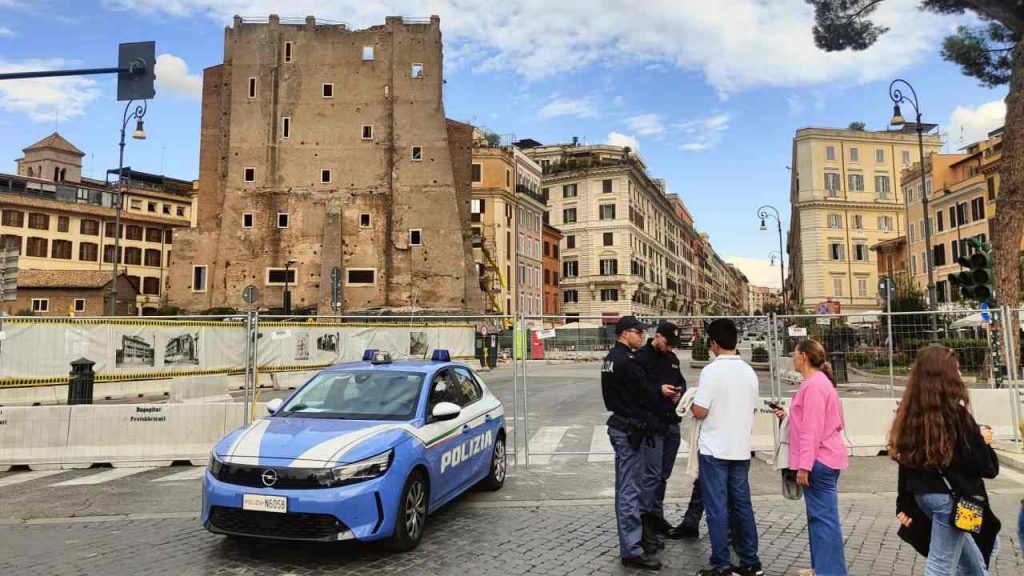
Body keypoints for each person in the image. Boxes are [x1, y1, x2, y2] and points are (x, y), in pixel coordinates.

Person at [891, 345, 1001, 575]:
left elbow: (905, 461)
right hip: (954, 499)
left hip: (925, 495)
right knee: (940, 564)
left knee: (972, 564)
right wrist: (982, 440)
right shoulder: (957, 416)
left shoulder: (910, 414)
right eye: (956, 370)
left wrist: (905, 500)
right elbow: (985, 467)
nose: (960, 375)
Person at [691, 318, 763, 576]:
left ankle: (721, 564)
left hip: (715, 449)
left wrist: (690, 403)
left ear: (714, 343)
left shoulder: (712, 371)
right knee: (743, 505)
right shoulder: (749, 371)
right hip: (741, 448)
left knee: (717, 507)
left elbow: (700, 411)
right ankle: (750, 561)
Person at [771, 339, 849, 576]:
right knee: (821, 518)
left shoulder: (813, 385)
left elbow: (811, 429)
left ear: (803, 356)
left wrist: (803, 467)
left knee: (823, 520)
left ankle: (830, 571)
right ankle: (823, 568)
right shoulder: (819, 383)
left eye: (795, 354)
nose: (793, 358)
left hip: (819, 460)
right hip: (825, 457)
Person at [602, 315, 661, 571]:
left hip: (619, 425)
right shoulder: (626, 361)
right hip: (629, 429)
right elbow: (645, 392)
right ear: (625, 333)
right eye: (638, 332)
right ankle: (632, 549)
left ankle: (631, 544)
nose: (642, 336)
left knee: (625, 488)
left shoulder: (610, 359)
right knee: (630, 490)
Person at [636, 322, 687, 542]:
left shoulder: (672, 358)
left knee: (663, 475)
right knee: (651, 476)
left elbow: (682, 382)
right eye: (667, 342)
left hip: (671, 423)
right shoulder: (641, 357)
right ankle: (645, 521)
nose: (670, 347)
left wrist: (679, 393)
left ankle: (657, 516)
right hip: (651, 424)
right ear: (656, 336)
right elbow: (635, 387)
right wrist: (659, 390)